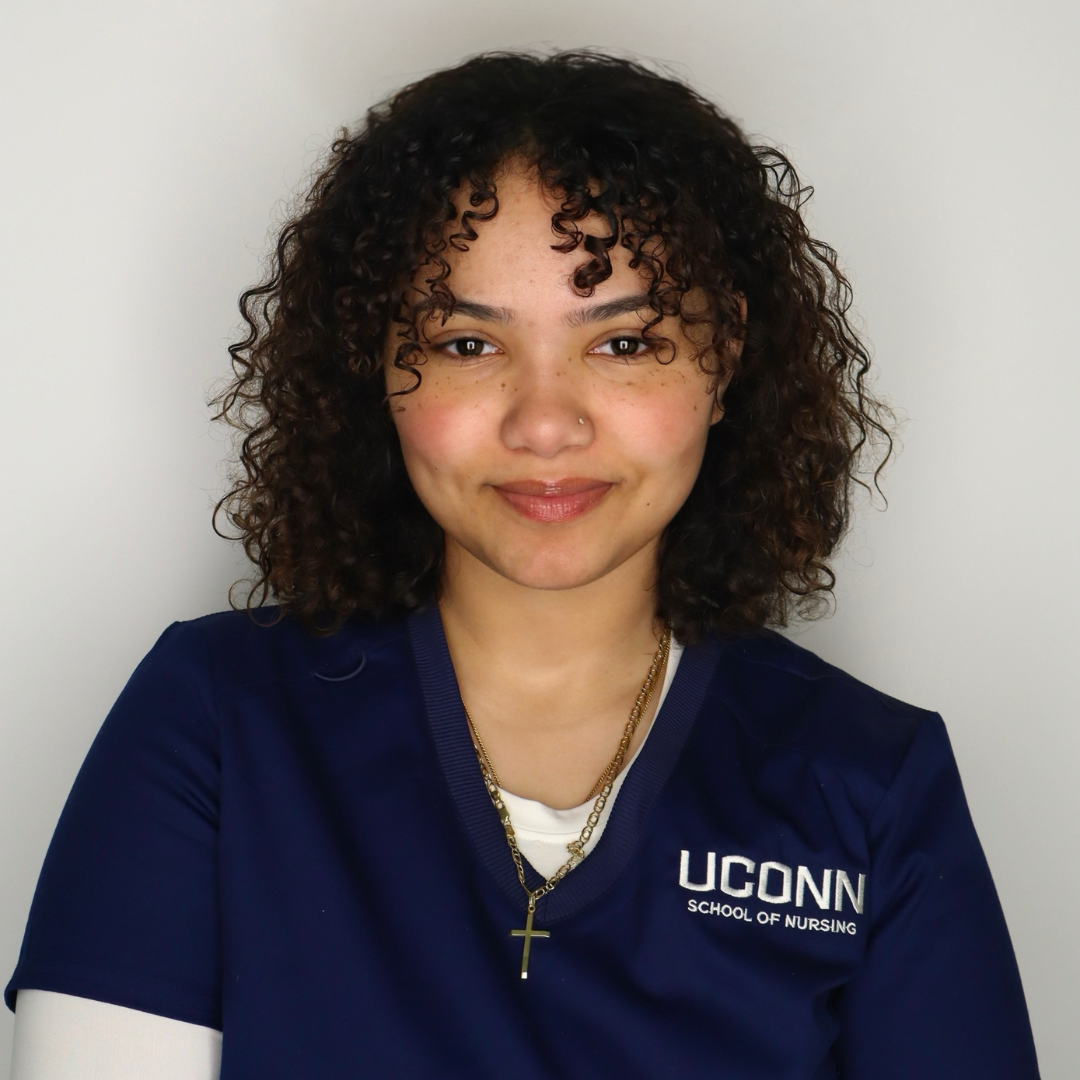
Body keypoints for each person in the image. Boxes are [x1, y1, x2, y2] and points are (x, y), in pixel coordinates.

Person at [6, 50, 1040, 1079]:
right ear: (377, 359)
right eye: (467, 344)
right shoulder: (216, 722)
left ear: (724, 358)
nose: (546, 424)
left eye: (624, 343)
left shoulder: (868, 783)